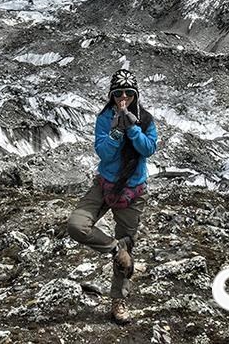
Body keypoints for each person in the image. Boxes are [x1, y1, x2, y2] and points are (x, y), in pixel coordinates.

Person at [67, 68, 158, 325]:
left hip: (133, 191)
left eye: (129, 93)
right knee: (77, 225)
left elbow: (148, 148)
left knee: (128, 243)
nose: (124, 97)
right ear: (112, 94)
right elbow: (104, 153)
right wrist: (117, 132)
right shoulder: (104, 118)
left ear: (136, 95)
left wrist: (132, 129)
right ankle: (115, 248)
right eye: (119, 93)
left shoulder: (146, 119)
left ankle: (119, 300)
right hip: (105, 184)